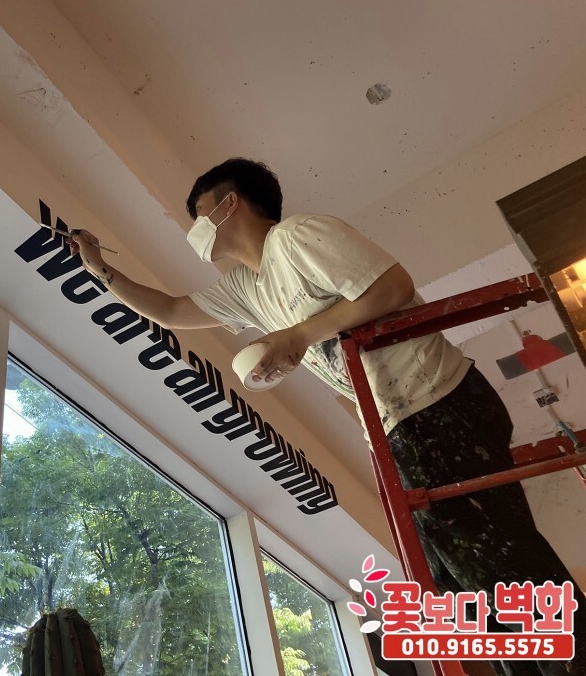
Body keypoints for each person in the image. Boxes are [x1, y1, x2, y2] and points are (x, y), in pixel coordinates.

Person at [69, 157, 585, 675]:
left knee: (495, 558)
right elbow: (170, 311)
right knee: (461, 574)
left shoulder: (296, 237)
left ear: (230, 205)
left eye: (199, 214)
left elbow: (392, 287)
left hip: (439, 401)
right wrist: (99, 268)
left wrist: (298, 335)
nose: (195, 230)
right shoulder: (247, 287)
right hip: (400, 424)